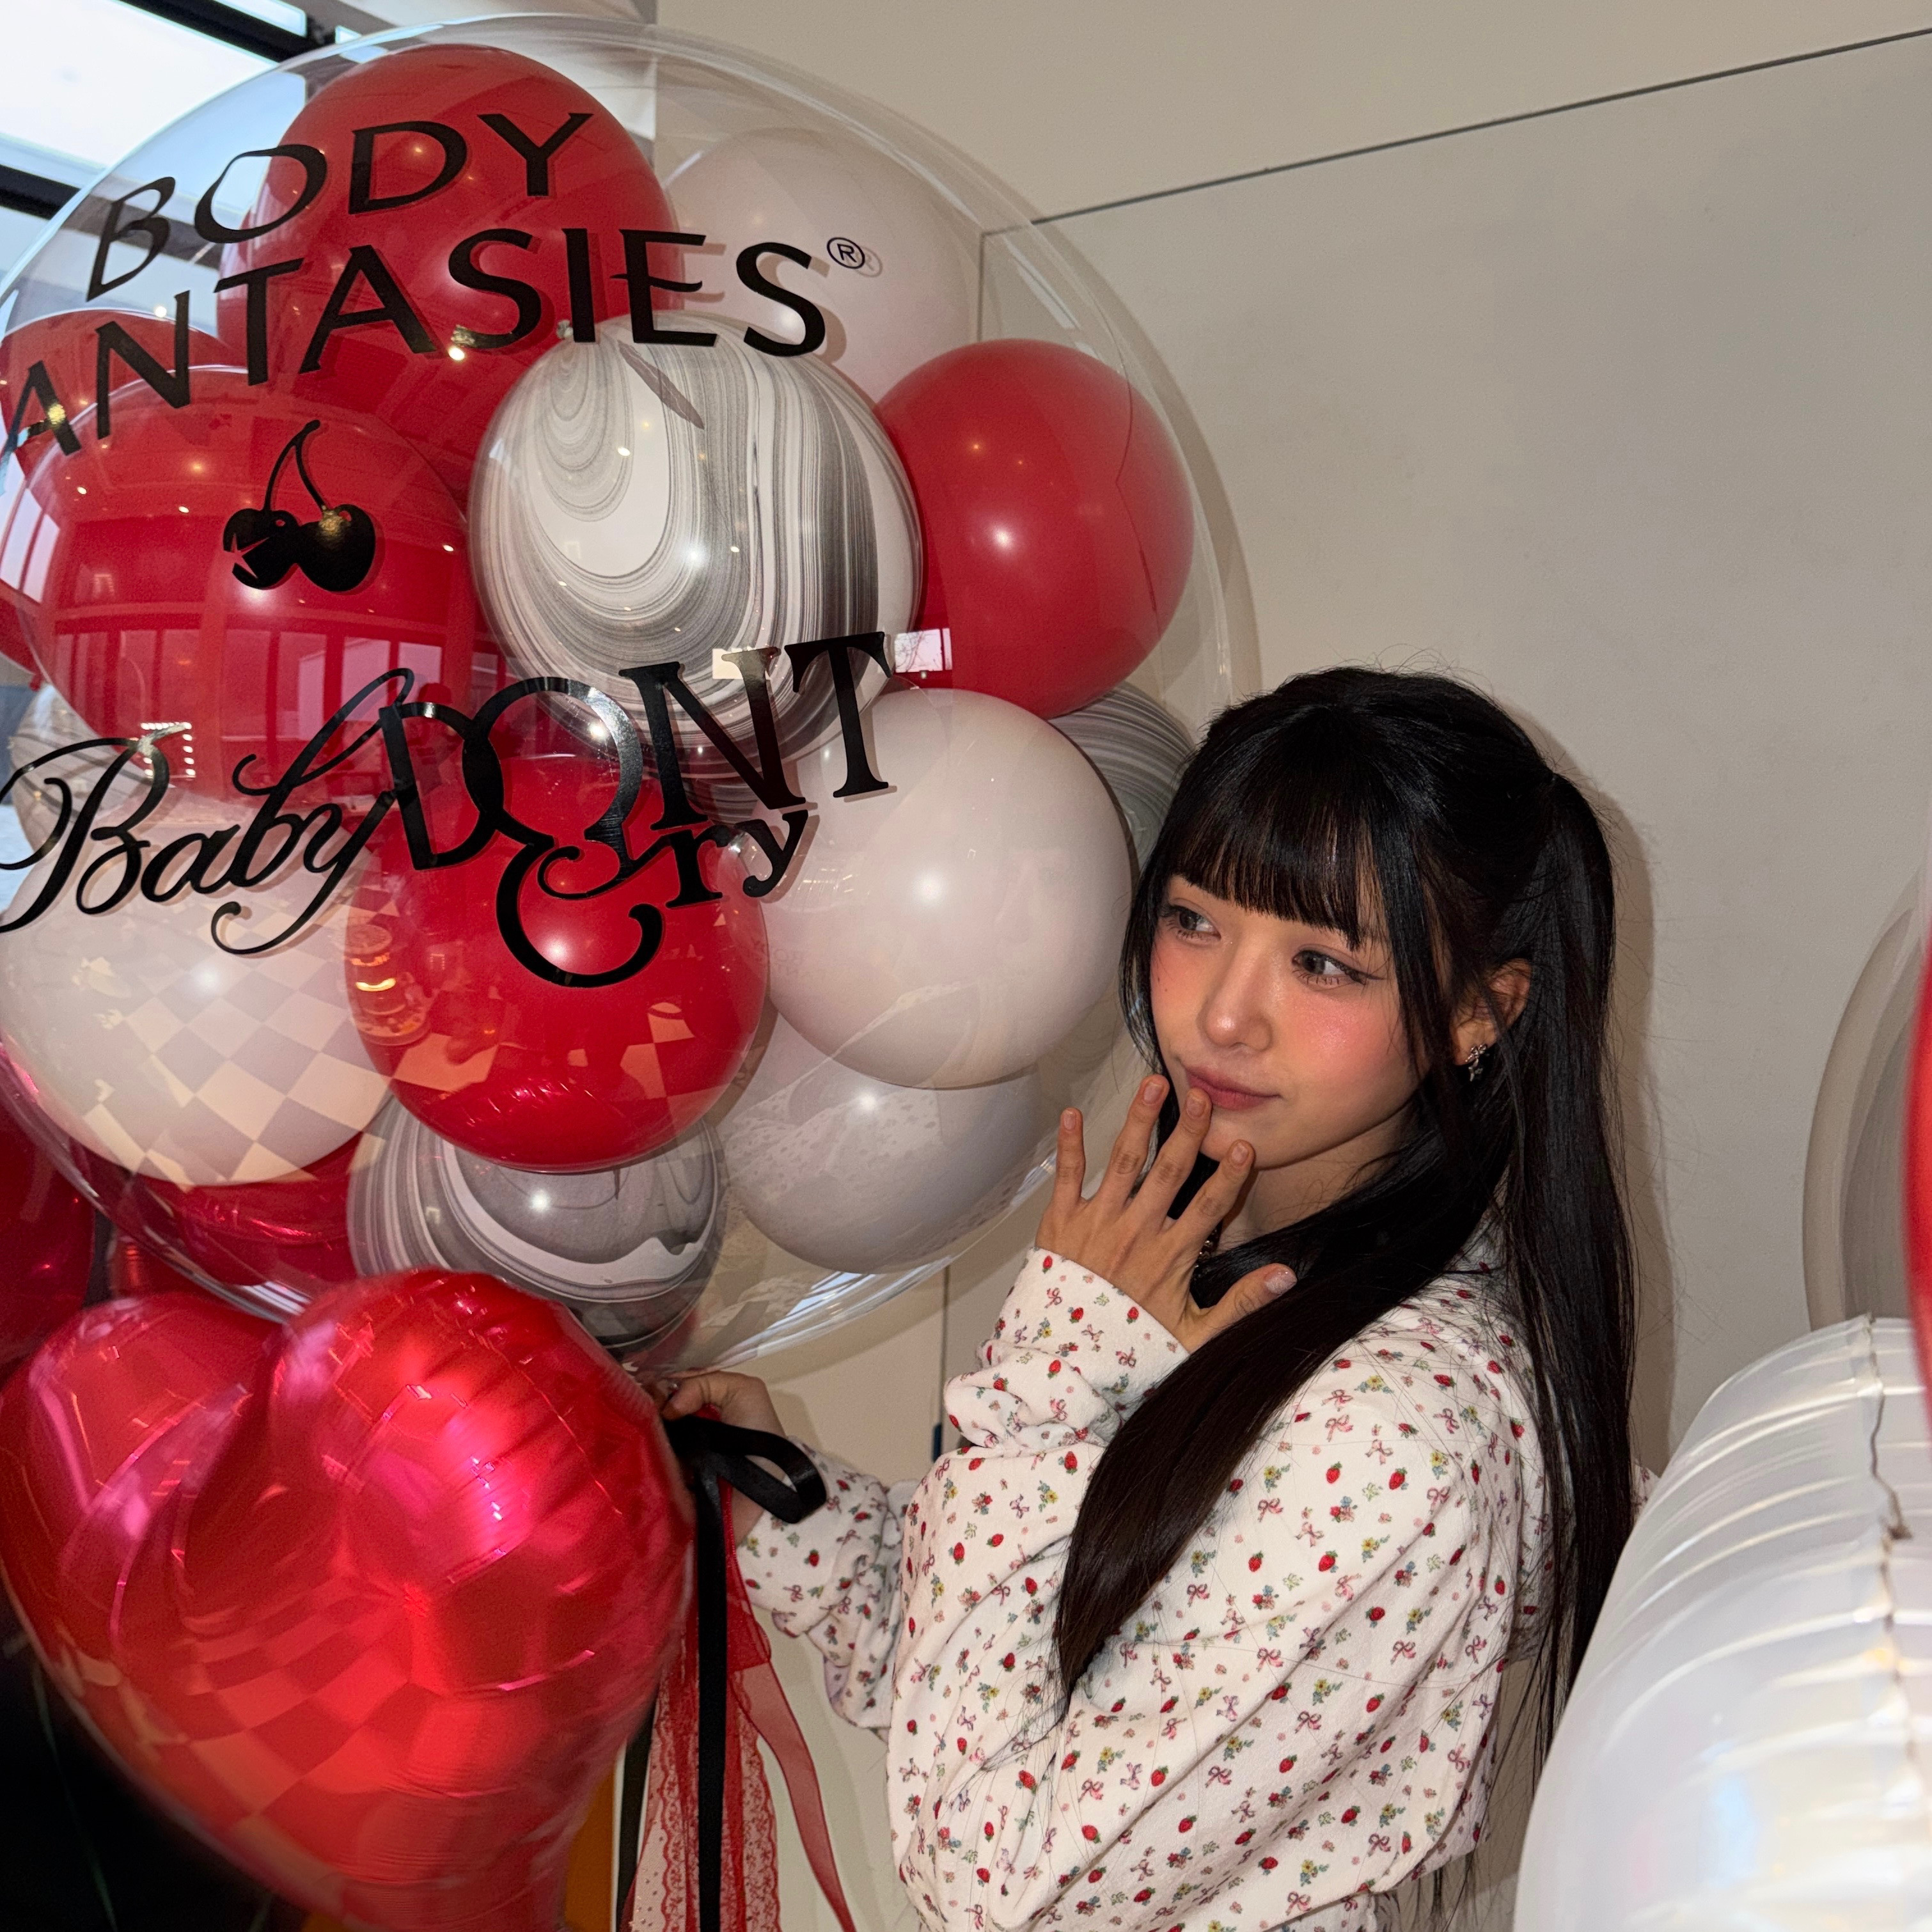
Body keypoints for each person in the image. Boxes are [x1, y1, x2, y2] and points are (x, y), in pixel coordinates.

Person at [663, 666, 1642, 1930]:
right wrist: (782, 1504)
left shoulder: (1388, 1432)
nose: (1222, 1015)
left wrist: (1052, 1372)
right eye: (1190, 918)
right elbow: (1014, 1676)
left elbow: (993, 1876)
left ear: (1474, 1014)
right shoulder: (1245, 1266)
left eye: (1321, 962)